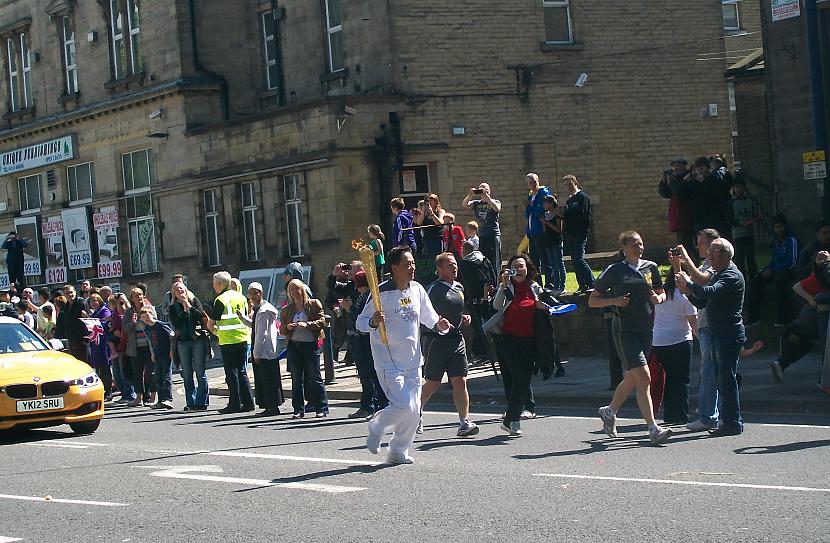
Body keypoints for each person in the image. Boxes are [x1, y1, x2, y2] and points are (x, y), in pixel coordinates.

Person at [357, 246, 451, 464]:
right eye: (407, 264)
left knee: (414, 410)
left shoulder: (417, 289)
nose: (412, 267)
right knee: (402, 405)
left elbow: (429, 317)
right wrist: (373, 321)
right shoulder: (381, 293)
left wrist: (440, 324)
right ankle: (377, 425)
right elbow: (360, 322)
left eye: (413, 263)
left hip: (413, 360)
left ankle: (398, 450)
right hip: (388, 361)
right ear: (394, 268)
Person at [589, 231, 672, 446]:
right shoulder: (615, 271)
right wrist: (616, 300)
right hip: (626, 331)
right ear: (624, 248)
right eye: (634, 244)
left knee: (633, 378)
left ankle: (609, 411)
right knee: (644, 377)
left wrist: (659, 297)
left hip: (647, 329)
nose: (639, 248)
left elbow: (660, 292)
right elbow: (593, 300)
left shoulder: (650, 267)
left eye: (641, 244)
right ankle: (653, 428)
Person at [676, 238, 746, 437]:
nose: (709, 257)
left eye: (712, 253)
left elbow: (710, 292)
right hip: (718, 333)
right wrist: (687, 292)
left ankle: (732, 422)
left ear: (724, 255)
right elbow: (702, 301)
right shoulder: (719, 273)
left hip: (728, 334)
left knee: (726, 379)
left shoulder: (731, 275)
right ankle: (728, 420)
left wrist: (689, 284)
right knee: (721, 378)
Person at [484, 254, 554, 436]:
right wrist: (503, 285)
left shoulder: (533, 287)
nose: (519, 269)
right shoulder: (508, 287)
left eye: (521, 266)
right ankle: (512, 419)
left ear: (527, 268)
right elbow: (497, 305)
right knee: (520, 379)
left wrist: (543, 306)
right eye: (515, 266)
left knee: (523, 381)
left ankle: (510, 419)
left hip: (530, 341)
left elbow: (540, 304)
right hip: (508, 340)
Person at [419, 253, 479, 437]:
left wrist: (464, 318)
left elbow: (457, 311)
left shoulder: (459, 287)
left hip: (456, 340)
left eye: (455, 264)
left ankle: (463, 422)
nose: (454, 267)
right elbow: (422, 314)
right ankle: (414, 414)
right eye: (449, 265)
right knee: (433, 382)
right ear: (439, 270)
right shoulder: (433, 289)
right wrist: (438, 322)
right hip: (436, 341)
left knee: (460, 381)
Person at [670, 229, 721, 432]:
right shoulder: (705, 265)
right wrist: (676, 266)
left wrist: (686, 259)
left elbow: (700, 281)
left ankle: (710, 416)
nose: (698, 246)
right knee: (711, 371)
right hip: (706, 323)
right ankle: (714, 415)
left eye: (701, 243)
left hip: (714, 324)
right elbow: (687, 289)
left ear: (713, 244)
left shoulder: (716, 266)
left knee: (711, 372)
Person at [769, 250, 830, 383]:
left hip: (815, 315)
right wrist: (811, 300)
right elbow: (797, 287)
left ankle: (781, 362)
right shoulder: (819, 276)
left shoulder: (823, 274)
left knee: (806, 343)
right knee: (805, 340)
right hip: (813, 315)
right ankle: (782, 360)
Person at [648, 271, 698, 424]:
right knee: (681, 380)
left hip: (659, 341)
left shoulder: (662, 293)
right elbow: (693, 324)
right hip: (680, 340)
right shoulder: (686, 297)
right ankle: (680, 414)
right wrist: (704, 341)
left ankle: (669, 414)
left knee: (668, 378)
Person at [208, 271, 255, 414]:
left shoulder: (220, 300)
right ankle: (248, 403)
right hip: (242, 338)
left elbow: (211, 323)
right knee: (242, 371)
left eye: (215, 283)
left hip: (227, 340)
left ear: (221, 284)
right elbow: (245, 317)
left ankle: (234, 403)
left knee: (231, 373)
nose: (213, 286)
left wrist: (217, 333)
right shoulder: (241, 297)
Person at [281, 278, 329, 418]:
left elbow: (322, 321)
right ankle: (298, 410)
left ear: (302, 290)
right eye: (292, 289)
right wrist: (288, 327)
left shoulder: (313, 304)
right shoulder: (287, 309)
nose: (295, 292)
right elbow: (282, 329)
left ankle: (321, 408)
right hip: (294, 346)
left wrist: (307, 324)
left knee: (315, 377)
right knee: (296, 379)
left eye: (297, 288)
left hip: (310, 345)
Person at [343, 271, 388, 420]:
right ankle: (369, 405)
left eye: (359, 285)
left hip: (367, 340)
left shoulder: (370, 296)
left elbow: (361, 316)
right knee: (365, 374)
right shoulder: (362, 295)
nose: (357, 289)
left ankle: (376, 406)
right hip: (359, 339)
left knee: (372, 375)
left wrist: (350, 308)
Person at [239, 281, 284, 417]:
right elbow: (255, 326)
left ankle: (272, 407)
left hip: (265, 351)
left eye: (255, 293)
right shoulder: (259, 309)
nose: (252, 296)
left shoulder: (264, 311)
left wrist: (256, 353)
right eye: (250, 293)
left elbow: (261, 333)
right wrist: (243, 319)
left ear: (261, 293)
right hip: (265, 350)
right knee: (264, 379)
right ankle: (269, 406)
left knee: (268, 380)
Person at [745, 213, 798, 326]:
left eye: (781, 226)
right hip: (776, 270)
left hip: (790, 272)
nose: (779, 230)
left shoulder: (792, 239)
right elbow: (775, 260)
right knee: (755, 282)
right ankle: (753, 321)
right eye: (776, 227)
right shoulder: (775, 241)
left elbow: (792, 262)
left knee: (780, 285)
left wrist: (773, 270)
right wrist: (766, 269)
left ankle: (782, 321)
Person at [169, 281, 210, 412]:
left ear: (185, 290)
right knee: (187, 373)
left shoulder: (194, 300)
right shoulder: (173, 307)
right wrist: (184, 312)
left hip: (198, 339)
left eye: (181, 289)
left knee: (200, 371)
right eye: (177, 290)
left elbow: (201, 316)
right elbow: (176, 323)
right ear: (174, 293)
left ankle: (201, 402)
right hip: (183, 341)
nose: (180, 291)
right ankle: (190, 402)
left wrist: (190, 308)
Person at [558, 175, 595, 294]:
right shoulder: (569, 200)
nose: (568, 187)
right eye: (566, 185)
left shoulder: (582, 197)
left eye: (570, 184)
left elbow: (584, 215)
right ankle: (582, 285)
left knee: (579, 259)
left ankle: (592, 283)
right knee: (574, 260)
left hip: (580, 234)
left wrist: (567, 213)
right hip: (570, 235)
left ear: (575, 183)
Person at [122, 286, 155, 407]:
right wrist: (132, 323)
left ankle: (152, 397)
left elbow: (155, 323)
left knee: (151, 372)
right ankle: (139, 397)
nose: (139, 297)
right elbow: (125, 329)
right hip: (135, 347)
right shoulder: (129, 312)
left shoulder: (149, 308)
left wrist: (146, 320)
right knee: (137, 373)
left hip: (149, 346)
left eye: (140, 295)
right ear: (132, 298)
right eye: (136, 295)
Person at [139, 307, 175, 410]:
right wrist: (152, 353)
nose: (146, 318)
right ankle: (160, 400)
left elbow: (171, 336)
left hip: (165, 353)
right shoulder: (147, 328)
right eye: (143, 317)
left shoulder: (160, 325)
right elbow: (150, 341)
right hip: (157, 354)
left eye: (147, 315)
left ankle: (167, 398)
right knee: (158, 377)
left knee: (166, 376)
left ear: (152, 314)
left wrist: (172, 351)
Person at [462, 183, 501, 279]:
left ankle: (496, 281)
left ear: (489, 190)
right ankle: (488, 280)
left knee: (494, 260)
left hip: (493, 234)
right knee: (483, 259)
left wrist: (487, 197)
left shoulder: (495, 201)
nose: (483, 191)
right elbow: (465, 205)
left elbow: (497, 208)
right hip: (482, 235)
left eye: (486, 189)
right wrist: (470, 195)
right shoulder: (476, 203)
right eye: (481, 189)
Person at [687, 156, 732, 237]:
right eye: (697, 169)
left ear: (708, 168)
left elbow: (716, 195)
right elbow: (682, 195)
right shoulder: (693, 183)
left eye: (701, 168)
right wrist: (685, 181)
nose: (699, 172)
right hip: (700, 220)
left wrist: (703, 183)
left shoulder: (715, 180)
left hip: (715, 219)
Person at [658, 158, 694, 252]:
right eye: (675, 166)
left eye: (679, 165)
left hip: (688, 214)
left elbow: (679, 193)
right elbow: (665, 194)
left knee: (688, 242)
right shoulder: (674, 178)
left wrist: (673, 182)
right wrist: (664, 182)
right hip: (677, 215)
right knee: (682, 240)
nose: (677, 168)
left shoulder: (689, 178)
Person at [524, 173, 552, 288]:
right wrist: (528, 208)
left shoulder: (543, 193)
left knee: (545, 260)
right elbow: (527, 215)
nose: (532, 184)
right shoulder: (531, 195)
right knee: (534, 261)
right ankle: (538, 284)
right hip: (532, 232)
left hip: (541, 231)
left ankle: (549, 283)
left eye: (534, 182)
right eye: (530, 183)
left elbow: (541, 211)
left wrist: (529, 207)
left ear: (538, 180)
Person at [729, 178, 759, 278]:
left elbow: (754, 213)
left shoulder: (750, 200)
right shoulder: (731, 202)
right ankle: (742, 281)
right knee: (740, 259)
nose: (739, 189)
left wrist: (755, 219)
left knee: (751, 258)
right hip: (738, 234)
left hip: (749, 233)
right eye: (737, 187)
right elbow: (729, 218)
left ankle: (754, 280)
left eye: (741, 187)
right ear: (733, 188)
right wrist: (739, 224)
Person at [86, 293, 113, 401]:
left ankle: (108, 391)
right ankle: (102, 390)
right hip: (95, 343)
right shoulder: (94, 313)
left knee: (105, 368)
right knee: (98, 368)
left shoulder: (104, 310)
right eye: (91, 301)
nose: (93, 303)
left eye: (95, 300)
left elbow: (104, 324)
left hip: (103, 343)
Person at [54, 284, 89, 363]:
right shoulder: (66, 307)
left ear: (75, 292)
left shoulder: (81, 303)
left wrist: (85, 339)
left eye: (71, 292)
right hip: (71, 340)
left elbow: (87, 321)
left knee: (84, 363)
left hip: (82, 340)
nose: (70, 295)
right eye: (67, 293)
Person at [540, 194, 566, 294]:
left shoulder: (557, 214)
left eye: (545, 203)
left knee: (559, 263)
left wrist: (547, 223)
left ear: (551, 203)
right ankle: (555, 286)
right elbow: (545, 230)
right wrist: (544, 224)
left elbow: (559, 230)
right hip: (548, 241)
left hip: (556, 241)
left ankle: (562, 285)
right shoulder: (545, 214)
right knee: (553, 265)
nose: (544, 205)